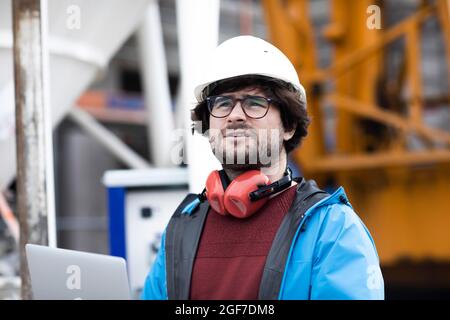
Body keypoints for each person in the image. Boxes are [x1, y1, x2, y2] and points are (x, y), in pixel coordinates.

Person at [141, 35, 384, 300]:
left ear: (289, 126)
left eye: (254, 104)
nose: (234, 115)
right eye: (222, 104)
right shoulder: (180, 229)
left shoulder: (332, 230)